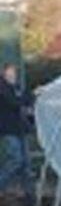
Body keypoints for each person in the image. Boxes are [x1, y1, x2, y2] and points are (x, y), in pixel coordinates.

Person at [0, 62, 34, 198]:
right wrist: (28, 97)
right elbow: (15, 102)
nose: (14, 75)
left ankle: (29, 194)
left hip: (19, 129)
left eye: (15, 72)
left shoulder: (16, 87)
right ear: (4, 73)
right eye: (11, 72)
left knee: (26, 164)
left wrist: (33, 95)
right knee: (16, 159)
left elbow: (27, 98)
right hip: (8, 130)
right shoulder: (2, 88)